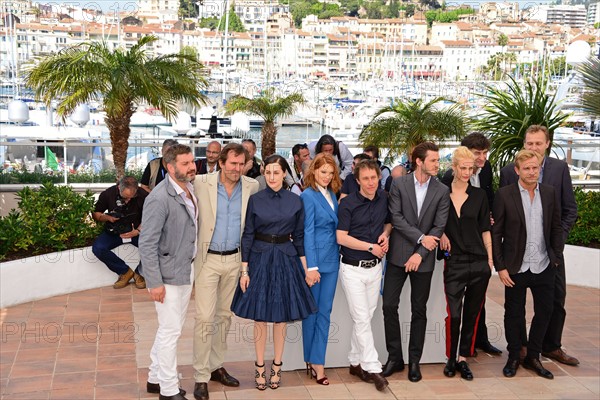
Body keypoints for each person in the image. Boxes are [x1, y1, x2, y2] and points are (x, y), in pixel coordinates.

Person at [231, 155, 317, 390]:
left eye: (276, 172)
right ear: (263, 172)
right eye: (267, 172)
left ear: (284, 173)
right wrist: (244, 270)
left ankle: (277, 366)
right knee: (260, 318)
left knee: (280, 319)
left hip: (286, 258)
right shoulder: (255, 200)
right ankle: (259, 367)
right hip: (259, 258)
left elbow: (299, 238)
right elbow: (247, 234)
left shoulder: (295, 201)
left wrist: (306, 269)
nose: (271, 177)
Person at [500, 125, 578, 366]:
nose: (533, 147)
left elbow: (569, 209)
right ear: (525, 144)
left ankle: (551, 346)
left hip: (550, 252)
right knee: (516, 306)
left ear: (547, 144)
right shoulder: (509, 172)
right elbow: (501, 211)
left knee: (556, 300)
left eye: (538, 143)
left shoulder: (559, 168)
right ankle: (522, 349)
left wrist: (557, 243)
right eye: (529, 143)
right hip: (520, 254)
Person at [192, 143, 260, 400]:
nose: (237, 169)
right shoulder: (201, 183)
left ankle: (215, 366)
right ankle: (200, 376)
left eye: (242, 164)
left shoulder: (251, 187)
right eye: (233, 163)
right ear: (221, 162)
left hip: (235, 261)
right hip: (208, 260)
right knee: (204, 319)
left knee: (223, 317)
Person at [382, 141, 450, 382]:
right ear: (419, 161)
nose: (437, 164)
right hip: (399, 255)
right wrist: (422, 239)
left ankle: (414, 361)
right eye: (433, 160)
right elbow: (396, 219)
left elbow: (439, 226)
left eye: (437, 160)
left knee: (418, 310)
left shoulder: (442, 190)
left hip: (424, 259)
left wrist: (420, 253)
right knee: (389, 306)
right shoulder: (399, 184)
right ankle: (394, 358)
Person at [493, 149, 563, 380]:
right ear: (517, 170)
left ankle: (534, 356)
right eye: (527, 168)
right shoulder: (504, 194)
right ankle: (514, 356)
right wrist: (500, 267)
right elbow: (497, 233)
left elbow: (555, 228)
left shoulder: (550, 193)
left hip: (543, 265)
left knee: (545, 311)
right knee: (514, 313)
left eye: (535, 168)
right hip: (516, 267)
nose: (532, 172)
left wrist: (555, 257)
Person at [139, 144, 198, 400]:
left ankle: (155, 379)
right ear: (170, 167)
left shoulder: (189, 188)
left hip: (185, 270)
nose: (192, 166)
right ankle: (168, 389)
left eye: (192, 161)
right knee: (170, 332)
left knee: (169, 328)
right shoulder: (158, 198)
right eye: (185, 164)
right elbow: (147, 242)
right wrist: (154, 282)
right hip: (167, 276)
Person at [441, 132, 500, 356]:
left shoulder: (485, 174)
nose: (482, 159)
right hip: (456, 256)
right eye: (478, 154)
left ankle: (475, 344)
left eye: (485, 153)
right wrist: (442, 233)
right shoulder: (445, 183)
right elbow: (439, 215)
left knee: (476, 308)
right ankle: (454, 354)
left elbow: (489, 200)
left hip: (478, 253)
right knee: (455, 311)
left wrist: (489, 217)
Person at [336, 159, 392, 392]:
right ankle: (373, 367)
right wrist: (370, 247)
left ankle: (354, 361)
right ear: (357, 181)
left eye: (374, 178)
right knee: (361, 318)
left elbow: (389, 223)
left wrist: (386, 235)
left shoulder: (385, 198)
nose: (371, 183)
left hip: (375, 268)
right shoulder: (347, 204)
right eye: (366, 178)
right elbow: (341, 237)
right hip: (352, 269)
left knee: (365, 317)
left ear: (379, 177)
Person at [300, 153, 343, 385]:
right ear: (313, 171)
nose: (326, 176)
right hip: (316, 263)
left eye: (330, 172)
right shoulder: (308, 195)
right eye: (322, 171)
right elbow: (307, 232)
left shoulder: (332, 195)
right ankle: (314, 361)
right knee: (312, 313)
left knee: (325, 313)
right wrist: (311, 267)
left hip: (332, 261)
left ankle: (317, 359)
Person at [92, 176, 148, 289]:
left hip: (136, 232)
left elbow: (151, 217)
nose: (128, 200)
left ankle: (140, 273)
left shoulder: (143, 195)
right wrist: (107, 217)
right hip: (114, 233)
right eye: (125, 197)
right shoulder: (108, 194)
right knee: (98, 248)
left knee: (155, 246)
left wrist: (137, 231)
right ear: (119, 188)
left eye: (132, 197)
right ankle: (125, 272)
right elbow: (96, 214)